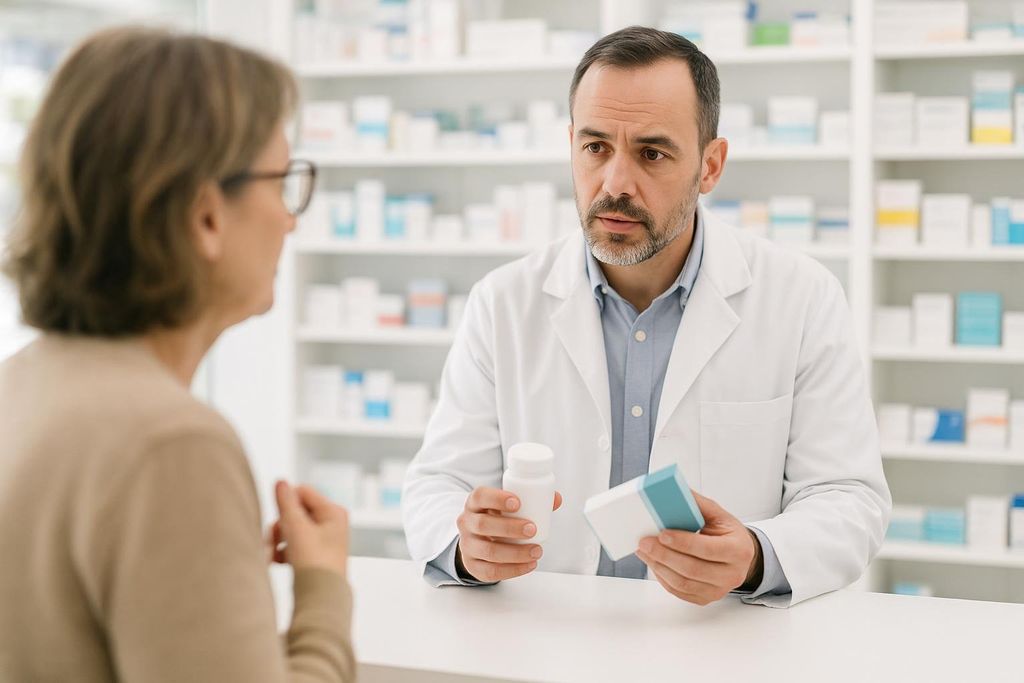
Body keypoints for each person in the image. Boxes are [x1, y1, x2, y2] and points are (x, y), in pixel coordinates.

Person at [402, 26, 891, 608]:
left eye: (652, 153)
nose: (615, 184)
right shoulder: (503, 302)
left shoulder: (801, 298)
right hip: (546, 641)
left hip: (719, 646)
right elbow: (437, 484)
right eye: (595, 147)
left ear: (710, 166)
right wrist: (467, 545)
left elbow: (848, 496)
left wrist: (755, 555)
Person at [0, 27, 354, 681]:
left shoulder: (19, 383)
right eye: (282, 182)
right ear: (206, 217)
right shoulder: (171, 444)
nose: (291, 218)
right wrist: (323, 587)